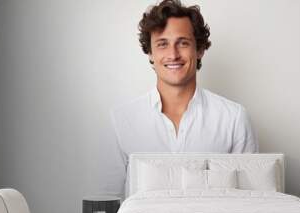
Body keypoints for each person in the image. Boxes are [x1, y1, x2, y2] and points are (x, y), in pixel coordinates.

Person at [107, 0, 258, 198]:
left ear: (200, 49)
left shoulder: (233, 119)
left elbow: (252, 201)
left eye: (183, 43)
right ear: (150, 54)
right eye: (162, 44)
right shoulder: (121, 120)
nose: (173, 54)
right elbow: (104, 201)